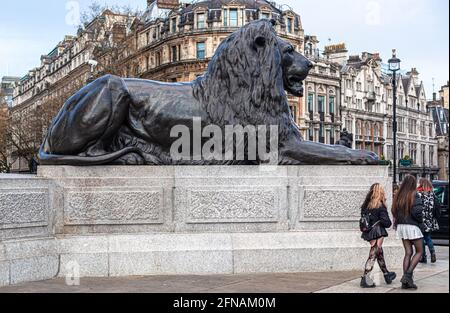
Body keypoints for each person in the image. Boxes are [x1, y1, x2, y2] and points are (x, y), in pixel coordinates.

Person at [360, 183, 396, 288]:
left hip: (368, 231)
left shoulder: (366, 205)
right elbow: (387, 223)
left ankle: (386, 274)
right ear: (380, 193)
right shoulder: (380, 206)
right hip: (378, 232)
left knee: (379, 253)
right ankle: (365, 278)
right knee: (373, 254)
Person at [392, 175, 424, 290]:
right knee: (420, 251)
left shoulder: (399, 196)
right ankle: (407, 276)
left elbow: (393, 211)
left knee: (408, 253)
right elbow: (418, 212)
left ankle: (405, 282)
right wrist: (421, 222)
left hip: (401, 226)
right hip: (412, 226)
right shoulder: (414, 195)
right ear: (413, 184)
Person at [417, 178, 439, 264]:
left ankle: (423, 257)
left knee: (421, 238)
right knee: (428, 237)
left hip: (421, 220)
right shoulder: (432, 193)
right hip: (430, 219)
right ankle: (432, 252)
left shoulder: (419, 193)